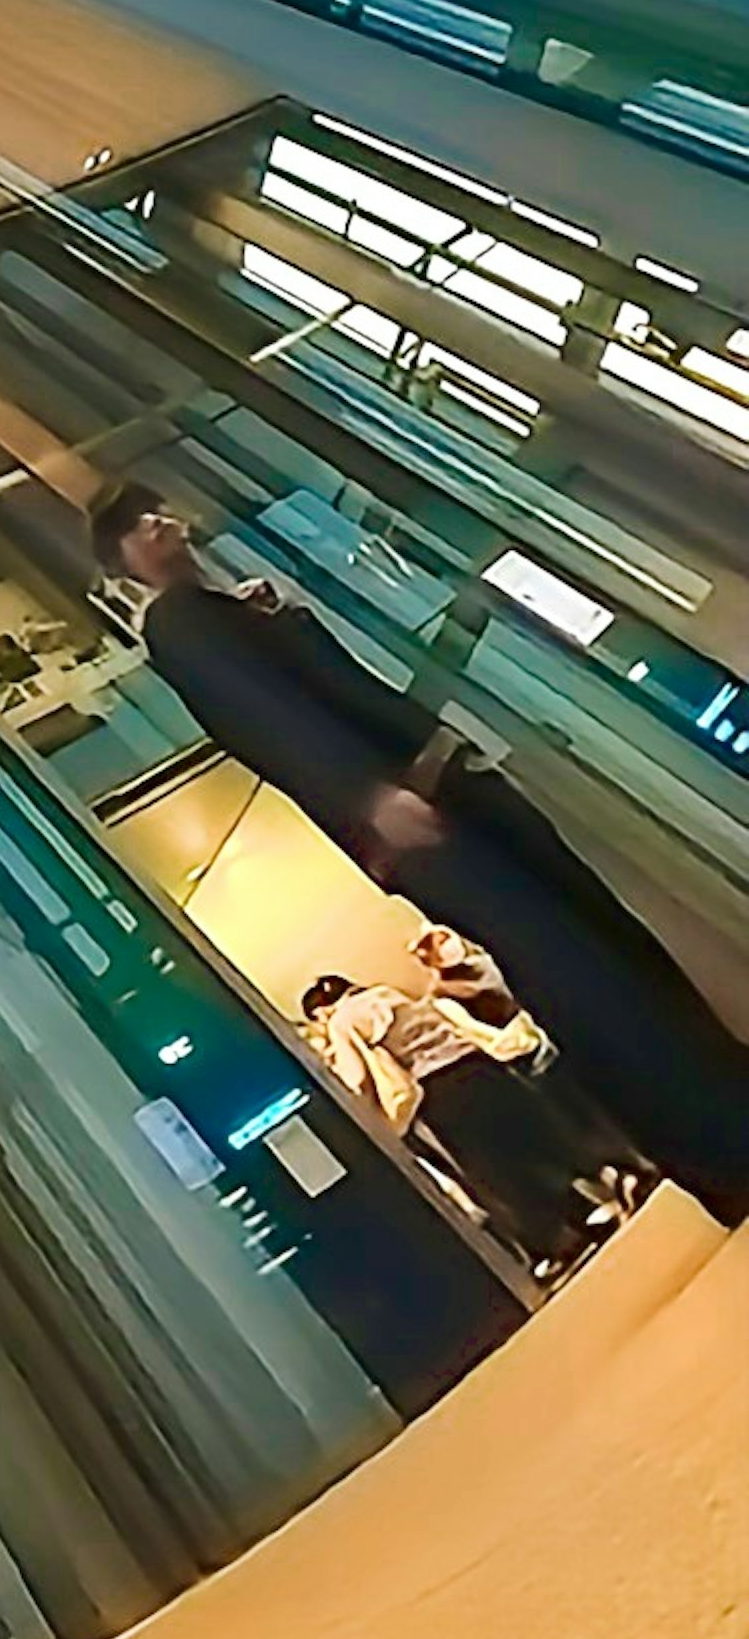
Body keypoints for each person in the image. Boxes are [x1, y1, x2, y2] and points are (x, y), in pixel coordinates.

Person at [91, 476, 749, 1218]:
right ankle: (720, 1134)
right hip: (412, 806)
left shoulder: (219, 608)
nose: (162, 523)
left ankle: (718, 1116)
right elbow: (265, 721)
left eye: (158, 509)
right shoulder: (178, 623)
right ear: (122, 563)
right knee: (574, 961)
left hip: (428, 786)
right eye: (138, 527)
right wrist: (365, 795)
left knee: (589, 936)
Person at [293, 964, 608, 1277]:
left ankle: (560, 1243)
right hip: (477, 1064)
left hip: (442, 1090)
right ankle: (592, 1207)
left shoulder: (342, 1022)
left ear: (321, 1012)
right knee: (526, 1142)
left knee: (495, 1172)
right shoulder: (387, 993)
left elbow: (356, 1080)